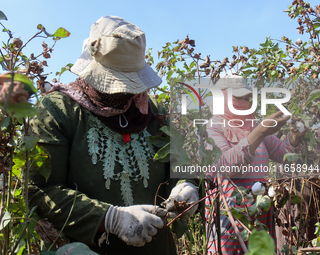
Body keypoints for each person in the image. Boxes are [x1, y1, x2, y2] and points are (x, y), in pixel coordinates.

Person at [28, 15, 199, 255]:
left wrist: (186, 184)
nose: (125, 93)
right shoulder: (58, 111)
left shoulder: (154, 113)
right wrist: (109, 218)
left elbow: (180, 162)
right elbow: (39, 191)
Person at [204, 75, 307, 254]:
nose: (246, 102)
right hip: (230, 214)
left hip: (260, 211)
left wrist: (294, 137)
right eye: (240, 98)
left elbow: (282, 152)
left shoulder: (252, 125)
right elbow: (225, 166)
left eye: (248, 98)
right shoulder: (213, 128)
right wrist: (259, 131)